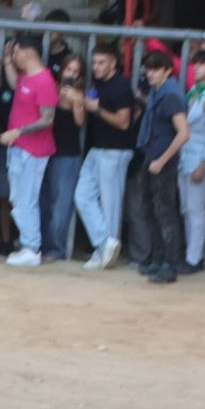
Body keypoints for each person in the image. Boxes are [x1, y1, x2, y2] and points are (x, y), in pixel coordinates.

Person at [72, 45, 136, 269]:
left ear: (113, 63)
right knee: (82, 196)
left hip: (115, 150)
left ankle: (106, 253)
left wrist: (96, 109)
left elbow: (124, 122)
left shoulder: (120, 86)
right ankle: (104, 243)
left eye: (101, 62)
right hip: (98, 148)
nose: (96, 66)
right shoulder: (100, 85)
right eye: (95, 62)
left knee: (110, 204)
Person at [0, 36, 58, 267]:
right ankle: (28, 244)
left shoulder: (44, 81)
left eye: (16, 53)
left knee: (27, 198)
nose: (14, 57)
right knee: (18, 197)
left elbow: (47, 119)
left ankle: (32, 247)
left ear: (28, 53)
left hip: (34, 149)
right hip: (20, 147)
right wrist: (6, 60)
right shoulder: (26, 77)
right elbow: (15, 84)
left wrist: (17, 132)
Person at [134, 51, 192, 282]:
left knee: (163, 212)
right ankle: (159, 260)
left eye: (155, 69)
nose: (150, 73)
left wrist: (161, 160)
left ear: (167, 71)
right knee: (151, 209)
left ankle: (169, 264)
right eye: (148, 69)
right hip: (154, 156)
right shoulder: (161, 92)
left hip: (161, 160)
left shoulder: (169, 96)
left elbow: (184, 133)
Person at [39, 53, 87, 261]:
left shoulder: (79, 94)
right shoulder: (50, 87)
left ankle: (55, 248)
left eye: (76, 72)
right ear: (62, 70)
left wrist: (76, 101)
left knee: (61, 204)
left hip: (67, 154)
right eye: (69, 70)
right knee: (42, 200)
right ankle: (39, 243)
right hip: (44, 151)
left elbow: (79, 122)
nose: (71, 74)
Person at [177, 49, 205, 272]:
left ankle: (194, 258)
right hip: (187, 154)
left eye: (203, 64)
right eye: (196, 64)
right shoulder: (194, 90)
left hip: (202, 157)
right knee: (187, 208)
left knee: (196, 209)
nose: (197, 67)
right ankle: (191, 254)